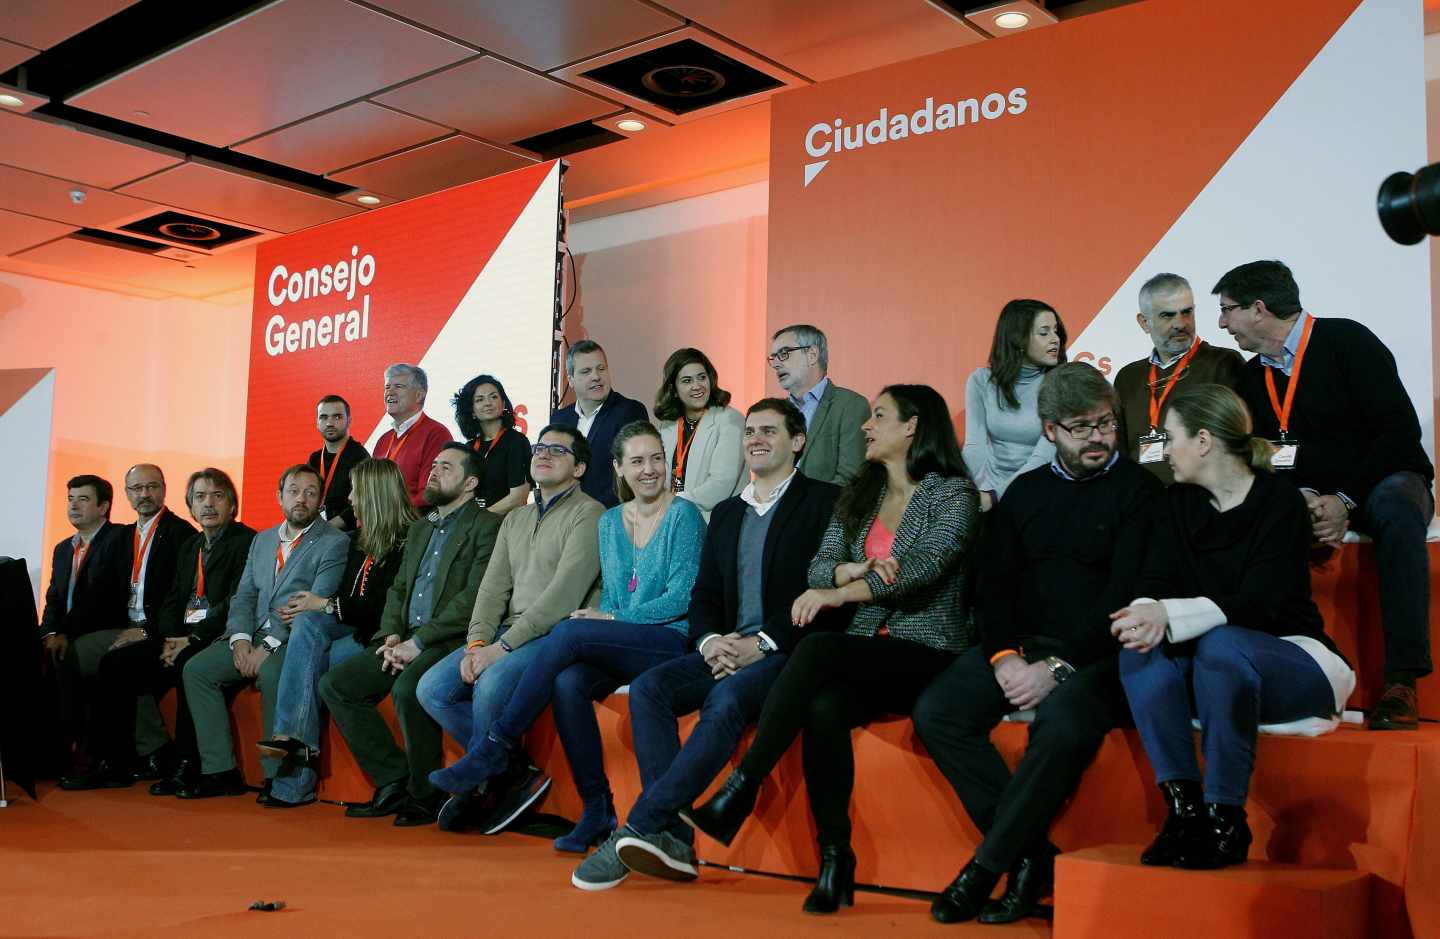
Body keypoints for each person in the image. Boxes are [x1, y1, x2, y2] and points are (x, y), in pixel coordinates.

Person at [684, 385, 979, 914]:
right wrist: (847, 570)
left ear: (912, 427)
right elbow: (817, 567)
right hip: (866, 647)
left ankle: (744, 784)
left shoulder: (951, 493)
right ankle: (835, 857)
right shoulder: (861, 492)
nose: (866, 426)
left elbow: (922, 570)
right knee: (823, 706)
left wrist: (838, 592)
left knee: (818, 648)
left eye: (879, 417)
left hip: (928, 651)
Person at [913, 363, 1161, 925]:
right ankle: (1032, 858)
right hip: (1020, 647)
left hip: (1103, 652)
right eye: (1080, 427)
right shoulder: (1025, 493)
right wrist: (1003, 658)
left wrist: (1059, 666)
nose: (1097, 437)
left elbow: (1128, 597)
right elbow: (993, 590)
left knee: (1065, 724)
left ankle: (984, 868)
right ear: (1049, 431)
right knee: (938, 712)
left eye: (1104, 424)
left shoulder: (1141, 492)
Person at [570, 398, 840, 892]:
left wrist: (762, 641)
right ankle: (674, 835)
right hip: (725, 646)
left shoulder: (825, 502)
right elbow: (706, 595)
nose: (755, 439)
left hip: (790, 650)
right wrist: (712, 639)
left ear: (797, 441)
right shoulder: (730, 511)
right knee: (650, 689)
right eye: (750, 431)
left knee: (726, 699)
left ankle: (639, 826)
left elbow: (824, 590)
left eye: (769, 431)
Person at [1111, 385, 1354, 870]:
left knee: (1222, 645)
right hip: (1211, 666)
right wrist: (1142, 614)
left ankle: (1227, 818)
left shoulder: (1280, 503)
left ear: (1203, 441)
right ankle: (1184, 814)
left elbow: (1259, 603)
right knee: (1139, 651)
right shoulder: (1174, 503)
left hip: (1293, 660)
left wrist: (1169, 615)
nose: (1164, 447)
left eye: (1172, 435)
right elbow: (1154, 579)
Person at [428, 422, 705, 846]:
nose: (648, 470)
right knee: (567, 681)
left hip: (667, 637)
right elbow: (611, 593)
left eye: (656, 459)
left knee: (571, 632)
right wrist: (480, 641)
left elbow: (681, 599)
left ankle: (496, 745)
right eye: (637, 461)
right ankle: (597, 810)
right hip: (621, 639)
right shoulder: (612, 521)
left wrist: (609, 621)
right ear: (619, 468)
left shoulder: (682, 514)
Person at [1216, 260, 1434, 729]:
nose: (1221, 323)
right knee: (1261, 513)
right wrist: (1304, 497)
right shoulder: (1254, 377)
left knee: (1397, 508)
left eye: (1227, 310)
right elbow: (1261, 456)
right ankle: (1294, 673)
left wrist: (1344, 500)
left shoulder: (1348, 341)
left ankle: (1401, 682)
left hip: (1381, 481)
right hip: (1313, 492)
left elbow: (1398, 434)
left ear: (1258, 309)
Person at [416, 424, 603, 833]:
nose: (544, 454)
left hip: (556, 634)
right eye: (540, 447)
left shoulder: (590, 513)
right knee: (430, 689)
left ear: (580, 468)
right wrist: (477, 642)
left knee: (491, 681)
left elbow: (563, 597)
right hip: (505, 631)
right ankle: (511, 771)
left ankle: (484, 784)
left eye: (558, 450)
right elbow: (491, 589)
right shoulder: (515, 519)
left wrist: (499, 650)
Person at [318, 445, 500, 825]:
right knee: (337, 684)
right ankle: (393, 780)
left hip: (449, 640)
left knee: (406, 690)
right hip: (403, 637)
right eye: (433, 464)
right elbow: (399, 589)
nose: (434, 471)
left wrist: (417, 642)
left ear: (470, 483)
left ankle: (425, 795)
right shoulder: (419, 528)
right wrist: (389, 636)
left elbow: (473, 597)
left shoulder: (486, 526)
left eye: (446, 467)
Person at [64, 469, 256, 793]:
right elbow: (171, 600)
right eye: (199, 497)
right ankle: (114, 763)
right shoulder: (192, 545)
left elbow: (235, 603)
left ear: (232, 505)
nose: (208, 504)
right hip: (174, 636)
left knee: (188, 664)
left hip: (216, 636)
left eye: (217, 496)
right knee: (116, 663)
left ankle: (186, 762)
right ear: (191, 506)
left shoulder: (246, 542)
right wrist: (170, 638)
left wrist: (190, 639)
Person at [178, 464, 348, 799]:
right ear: (279, 497)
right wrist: (240, 639)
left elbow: (307, 608)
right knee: (196, 670)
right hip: (249, 634)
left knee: (273, 675)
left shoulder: (334, 542)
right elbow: (244, 596)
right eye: (294, 491)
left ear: (321, 500)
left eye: (311, 492)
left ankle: (277, 776)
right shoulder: (262, 539)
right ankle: (220, 770)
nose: (302, 499)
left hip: (293, 639)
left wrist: (266, 647)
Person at [258, 458, 419, 806]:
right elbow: (348, 599)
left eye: (356, 492)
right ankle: (292, 742)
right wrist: (317, 606)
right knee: (306, 624)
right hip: (354, 630)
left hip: (385, 637)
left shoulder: (410, 538)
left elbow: (386, 608)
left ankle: (295, 769)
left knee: (311, 657)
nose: (351, 499)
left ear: (375, 495)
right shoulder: (358, 539)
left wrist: (325, 605)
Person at [57, 464, 195, 788]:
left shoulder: (181, 533)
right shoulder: (123, 536)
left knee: (113, 663)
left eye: (151, 487)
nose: (144, 494)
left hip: (158, 630)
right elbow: (99, 593)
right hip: (129, 627)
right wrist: (63, 630)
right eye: (136, 489)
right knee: (74, 651)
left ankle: (114, 762)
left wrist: (168, 633)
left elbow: (184, 594)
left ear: (163, 488)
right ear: (127, 494)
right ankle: (74, 749)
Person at [1114, 274, 1244, 484]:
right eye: (1167, 315)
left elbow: (1237, 446)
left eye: (1187, 312)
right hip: (1141, 505)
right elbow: (1119, 453)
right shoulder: (1127, 377)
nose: (1180, 324)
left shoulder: (1224, 364)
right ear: (1144, 322)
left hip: (1203, 502)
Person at [39, 474, 127, 767]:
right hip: (66, 631)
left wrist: (66, 633)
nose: (74, 506)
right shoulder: (63, 548)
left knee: (69, 656)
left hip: (103, 629)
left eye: (83, 499)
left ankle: (71, 752)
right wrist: (50, 631)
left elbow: (102, 599)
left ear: (103, 507)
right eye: (70, 499)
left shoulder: (119, 540)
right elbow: (53, 599)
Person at [962, 299, 1066, 508]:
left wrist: (995, 497)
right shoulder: (981, 380)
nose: (1055, 339)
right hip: (991, 490)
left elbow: (1043, 456)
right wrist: (957, 490)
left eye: (1056, 331)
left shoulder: (1063, 383)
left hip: (1043, 491)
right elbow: (975, 447)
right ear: (1018, 339)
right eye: (1044, 333)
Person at [552, 339, 649, 507]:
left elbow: (632, 474)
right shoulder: (560, 419)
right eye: (586, 371)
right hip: (563, 518)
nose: (596, 377)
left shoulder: (629, 412)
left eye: (601, 369)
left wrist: (593, 513)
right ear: (571, 380)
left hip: (610, 516)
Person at [769, 323, 869, 486]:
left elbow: (850, 479)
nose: (776, 364)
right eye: (773, 358)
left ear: (812, 355)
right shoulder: (776, 413)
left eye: (784, 354)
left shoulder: (850, 405)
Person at [654, 347, 746, 521]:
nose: (697, 386)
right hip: (672, 520)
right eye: (687, 381)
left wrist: (671, 504)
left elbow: (720, 486)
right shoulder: (668, 424)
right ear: (674, 389)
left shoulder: (731, 420)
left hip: (714, 523)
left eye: (702, 378)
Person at [375, 363, 452, 507]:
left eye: (398, 386)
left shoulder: (436, 434)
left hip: (411, 524)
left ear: (419, 395)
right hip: (376, 524)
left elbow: (429, 493)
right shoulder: (383, 440)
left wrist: (392, 518)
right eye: (387, 387)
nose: (390, 392)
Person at [452, 373, 531, 515]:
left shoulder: (516, 441)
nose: (488, 403)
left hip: (504, 525)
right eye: (479, 399)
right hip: (470, 528)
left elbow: (518, 498)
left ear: (503, 404)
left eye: (493, 397)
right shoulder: (468, 448)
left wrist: (480, 519)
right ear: (472, 411)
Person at [308, 394, 370, 530]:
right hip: (317, 531)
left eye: (337, 417)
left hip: (346, 534)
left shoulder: (360, 456)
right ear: (317, 423)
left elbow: (363, 502)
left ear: (349, 420)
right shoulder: (314, 459)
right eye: (323, 417)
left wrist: (326, 530)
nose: (330, 423)